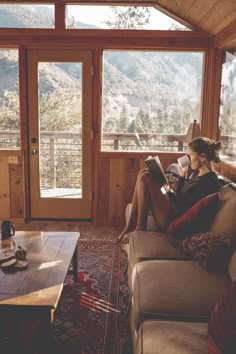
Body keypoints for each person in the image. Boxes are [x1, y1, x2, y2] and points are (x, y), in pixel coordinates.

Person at [116, 137, 222, 244]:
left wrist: (168, 192)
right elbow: (182, 198)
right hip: (173, 209)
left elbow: (183, 207)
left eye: (189, 156)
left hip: (174, 221)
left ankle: (140, 228)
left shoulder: (210, 182)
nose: (187, 160)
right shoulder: (196, 173)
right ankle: (129, 227)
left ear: (202, 157)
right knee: (143, 173)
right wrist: (175, 183)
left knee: (146, 177)